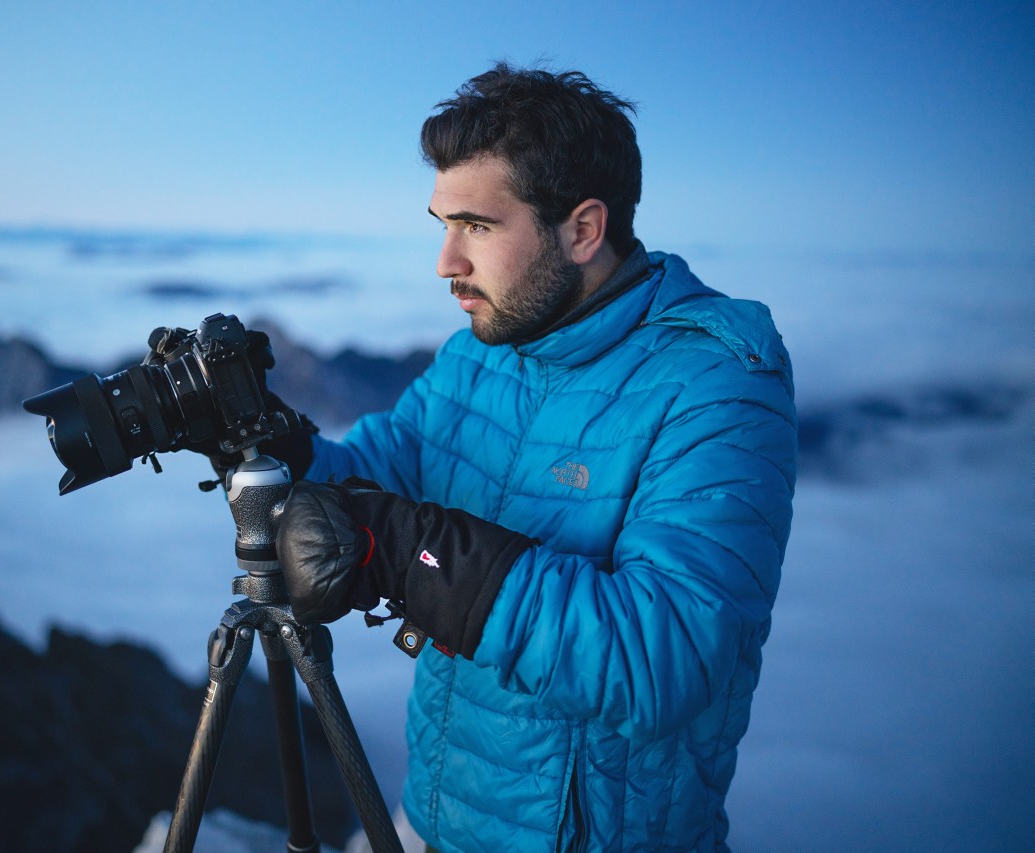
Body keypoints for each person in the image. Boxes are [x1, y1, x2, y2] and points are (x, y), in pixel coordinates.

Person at [264, 63, 797, 853]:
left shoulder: (717, 382)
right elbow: (384, 470)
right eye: (442, 223)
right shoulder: (483, 353)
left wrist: (412, 556)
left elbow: (665, 656)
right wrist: (273, 446)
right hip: (437, 822)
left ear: (583, 230)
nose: (446, 261)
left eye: (477, 226)